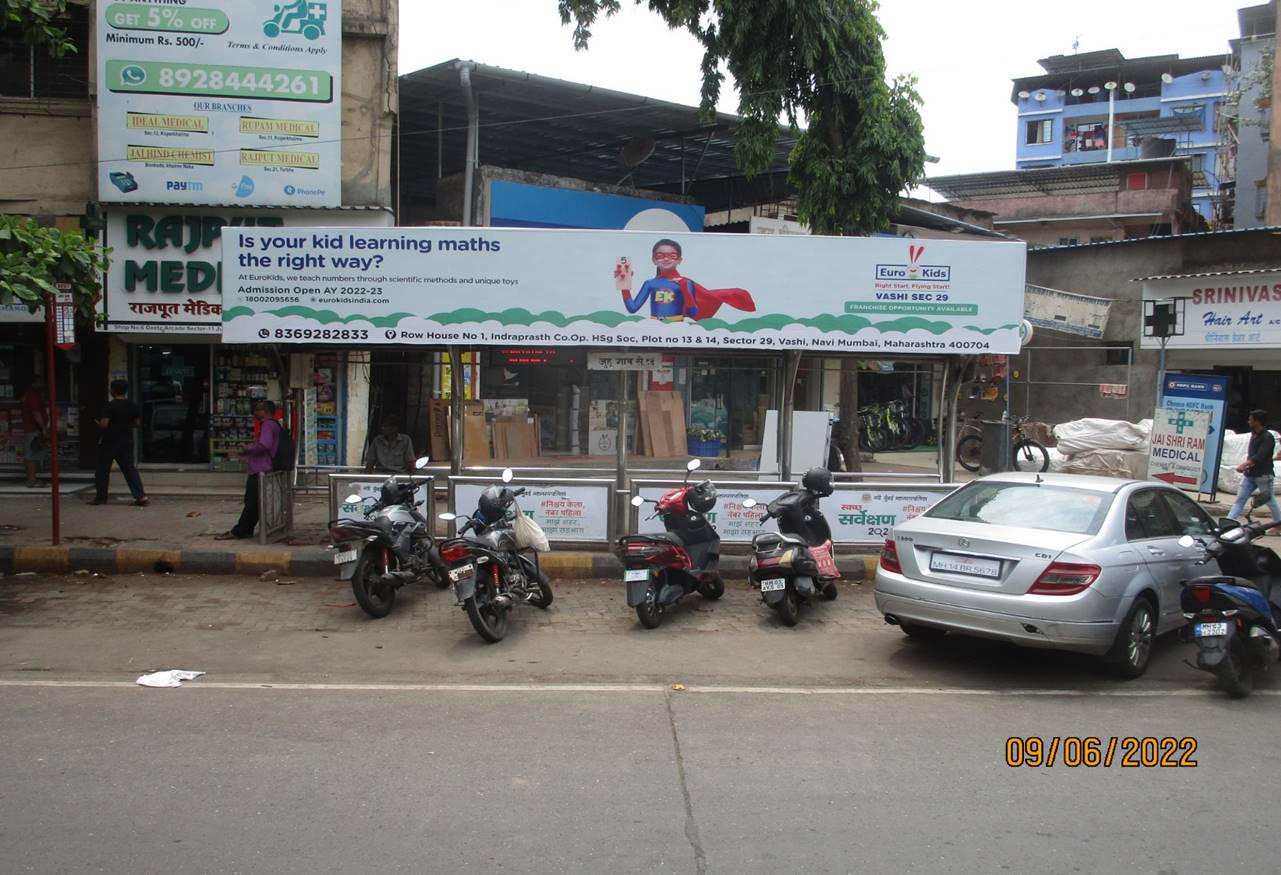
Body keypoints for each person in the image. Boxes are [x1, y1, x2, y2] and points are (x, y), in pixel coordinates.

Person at [614, 239, 756, 323]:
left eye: (672, 256)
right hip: (654, 327)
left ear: (679, 260)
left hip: (677, 327)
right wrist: (624, 284)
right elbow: (632, 308)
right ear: (654, 260)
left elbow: (693, 313)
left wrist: (684, 289)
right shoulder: (650, 283)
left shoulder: (685, 283)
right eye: (660, 255)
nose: (666, 259)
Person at [217, 400, 280, 540]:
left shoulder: (267, 425)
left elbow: (265, 445)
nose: (255, 413)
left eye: (257, 410)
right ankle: (246, 529)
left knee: (251, 501)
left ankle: (240, 530)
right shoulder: (273, 424)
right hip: (264, 467)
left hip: (261, 468)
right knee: (256, 502)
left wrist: (248, 448)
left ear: (264, 411)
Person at [92, 380, 148, 506]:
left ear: (113, 390)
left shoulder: (111, 405)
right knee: (129, 469)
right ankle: (140, 496)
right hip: (127, 440)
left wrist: (99, 424)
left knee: (102, 469)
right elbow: (137, 423)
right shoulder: (133, 405)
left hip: (110, 441)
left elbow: (104, 424)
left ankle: (101, 497)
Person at [1228, 409, 1280, 525]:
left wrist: (1245, 465)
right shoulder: (1254, 435)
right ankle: (1229, 522)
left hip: (1263, 476)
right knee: (1240, 500)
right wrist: (1247, 467)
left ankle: (1278, 524)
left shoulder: (1267, 437)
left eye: (1250, 420)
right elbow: (1252, 455)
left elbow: (1260, 456)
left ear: (1257, 421)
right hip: (1250, 475)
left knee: (1269, 500)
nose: (1248, 422)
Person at [19, 378, 48, 489]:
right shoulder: (32, 396)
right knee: (31, 454)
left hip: (33, 428)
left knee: (33, 453)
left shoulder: (29, 395)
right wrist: (43, 427)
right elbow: (36, 412)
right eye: (40, 382)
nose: (42, 384)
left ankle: (33, 478)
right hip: (33, 429)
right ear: (33, 383)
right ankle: (31, 480)